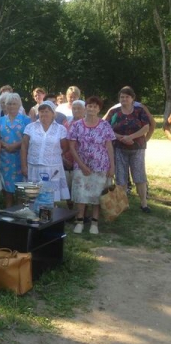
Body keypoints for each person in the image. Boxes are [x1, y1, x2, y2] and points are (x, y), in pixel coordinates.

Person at [68, 96, 116, 234]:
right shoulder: (76, 125)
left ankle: (94, 223)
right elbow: (72, 147)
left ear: (99, 109)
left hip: (101, 165)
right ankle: (80, 221)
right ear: (85, 108)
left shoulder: (105, 125)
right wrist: (81, 165)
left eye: (95, 107)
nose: (92, 109)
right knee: (81, 194)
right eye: (90, 106)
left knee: (97, 195)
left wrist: (112, 166)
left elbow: (109, 146)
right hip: (81, 165)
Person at [105, 86, 151, 212]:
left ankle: (144, 203)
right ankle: (123, 204)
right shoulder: (114, 112)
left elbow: (146, 127)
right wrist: (121, 138)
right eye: (122, 97)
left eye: (127, 96)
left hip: (137, 148)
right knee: (121, 177)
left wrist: (130, 137)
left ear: (132, 98)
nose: (124, 99)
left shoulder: (139, 111)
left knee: (140, 176)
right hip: (119, 148)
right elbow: (107, 129)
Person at [21, 100, 70, 202]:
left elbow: (65, 147)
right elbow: (24, 147)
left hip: (52, 168)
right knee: (33, 196)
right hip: (33, 167)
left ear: (53, 113)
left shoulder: (60, 129)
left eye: (47, 111)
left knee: (50, 196)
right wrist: (24, 166)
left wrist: (53, 154)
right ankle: (34, 214)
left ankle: (49, 215)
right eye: (41, 111)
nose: (44, 114)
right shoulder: (30, 127)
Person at [0, 93, 31, 207]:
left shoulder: (26, 120)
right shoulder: (0, 121)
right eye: (9, 104)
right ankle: (8, 210)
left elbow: (29, 138)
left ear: (19, 105)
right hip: (5, 158)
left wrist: (15, 145)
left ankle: (20, 210)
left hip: (20, 158)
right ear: (5, 106)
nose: (11, 106)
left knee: (20, 187)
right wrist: (5, 145)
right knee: (7, 188)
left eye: (14, 104)